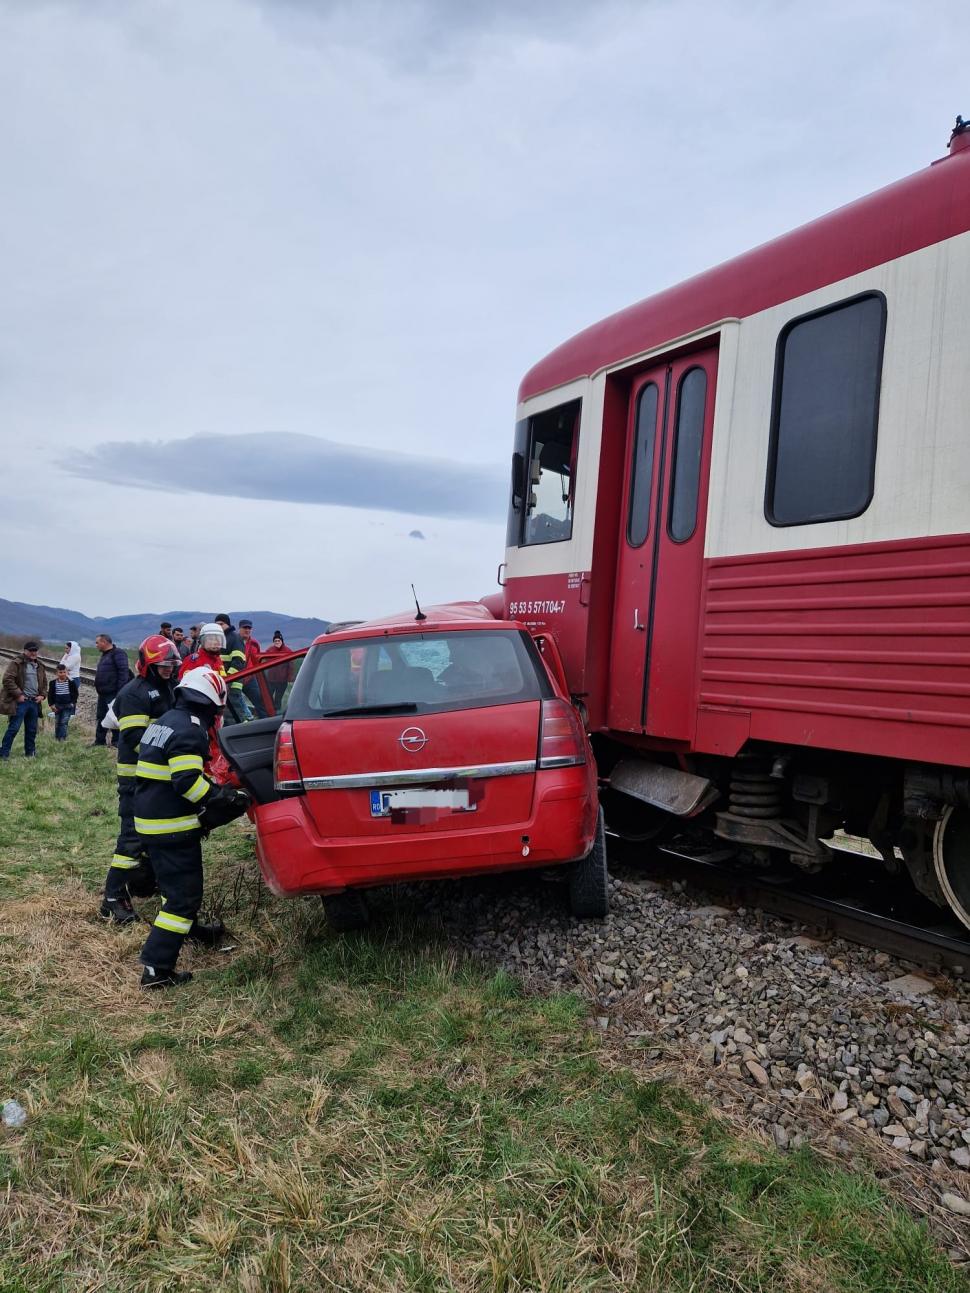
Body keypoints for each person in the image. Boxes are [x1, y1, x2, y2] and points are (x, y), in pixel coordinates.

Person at [133, 667, 250, 988]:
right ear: (212, 702)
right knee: (182, 899)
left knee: (176, 889)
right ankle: (156, 969)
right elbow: (186, 782)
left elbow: (180, 772)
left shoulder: (167, 721)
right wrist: (219, 799)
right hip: (170, 828)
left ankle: (192, 929)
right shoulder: (191, 730)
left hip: (151, 820)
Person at [99, 635, 181, 925]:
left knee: (152, 836)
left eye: (172, 664)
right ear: (148, 665)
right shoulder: (135, 692)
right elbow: (134, 738)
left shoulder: (169, 687)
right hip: (136, 779)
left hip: (158, 778)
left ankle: (142, 883)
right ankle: (112, 897)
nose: (169, 669)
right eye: (163, 665)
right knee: (132, 838)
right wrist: (169, 749)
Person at [0, 641, 48, 760]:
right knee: (14, 728)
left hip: (34, 703)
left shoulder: (40, 665)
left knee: (32, 730)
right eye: (31, 650)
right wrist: (18, 694)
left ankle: (30, 753)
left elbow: (44, 683)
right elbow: (7, 679)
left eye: (35, 650)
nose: (33, 653)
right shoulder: (17, 663)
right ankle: (3, 753)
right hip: (21, 702)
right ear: (25, 651)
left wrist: (42, 695)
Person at [92, 634, 130, 748]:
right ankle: (99, 741)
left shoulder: (118, 653)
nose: (96, 645)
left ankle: (116, 741)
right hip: (103, 693)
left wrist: (120, 692)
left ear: (104, 642)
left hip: (113, 693)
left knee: (114, 717)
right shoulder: (105, 655)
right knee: (101, 716)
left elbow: (123, 673)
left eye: (97, 642)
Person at [214, 614, 251, 725]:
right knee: (225, 715)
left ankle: (242, 734)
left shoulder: (234, 638)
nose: (219, 627)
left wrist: (228, 679)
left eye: (221, 624)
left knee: (235, 713)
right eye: (217, 625)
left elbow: (239, 662)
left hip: (232, 684)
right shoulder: (219, 639)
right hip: (221, 683)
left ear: (228, 624)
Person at [238, 618, 267, 719]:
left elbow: (257, 660)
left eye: (249, 628)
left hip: (250, 678)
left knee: (261, 703)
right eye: (245, 628)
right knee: (234, 704)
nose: (247, 630)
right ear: (239, 629)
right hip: (235, 678)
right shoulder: (234, 641)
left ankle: (266, 724)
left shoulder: (255, 643)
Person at [47, 663, 79, 742]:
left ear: (67, 672)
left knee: (64, 722)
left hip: (68, 705)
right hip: (57, 705)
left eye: (64, 672)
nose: (62, 674)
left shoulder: (71, 682)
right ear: (56, 673)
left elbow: (75, 693)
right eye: (60, 672)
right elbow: (50, 695)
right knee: (58, 722)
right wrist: (51, 705)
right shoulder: (53, 683)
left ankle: (62, 738)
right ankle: (57, 737)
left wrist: (73, 703)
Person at [264, 630, 293, 712]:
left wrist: (290, 678)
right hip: (271, 680)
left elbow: (291, 666)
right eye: (275, 641)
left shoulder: (288, 651)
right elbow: (265, 663)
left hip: (282, 680)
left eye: (278, 640)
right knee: (268, 697)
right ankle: (268, 713)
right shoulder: (269, 650)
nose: (277, 642)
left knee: (278, 698)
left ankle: (276, 714)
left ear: (282, 641)